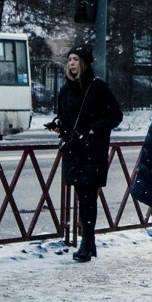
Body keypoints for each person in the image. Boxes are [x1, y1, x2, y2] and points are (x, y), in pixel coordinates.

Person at [48, 45, 123, 262]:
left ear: (84, 63)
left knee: (88, 197)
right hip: (74, 150)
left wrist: (94, 129)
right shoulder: (64, 90)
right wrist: (57, 125)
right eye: (69, 59)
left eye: (75, 59)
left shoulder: (98, 88)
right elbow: (63, 117)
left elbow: (115, 115)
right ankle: (89, 243)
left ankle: (85, 242)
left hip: (92, 149)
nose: (71, 63)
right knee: (82, 196)